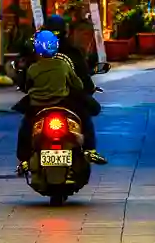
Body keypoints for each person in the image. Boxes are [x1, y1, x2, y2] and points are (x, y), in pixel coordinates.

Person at [15, 30, 106, 172]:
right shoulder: (64, 64)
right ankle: (90, 150)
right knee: (85, 117)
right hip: (63, 102)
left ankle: (24, 159)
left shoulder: (33, 68)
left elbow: (26, 86)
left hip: (36, 106)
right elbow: (78, 85)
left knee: (25, 127)